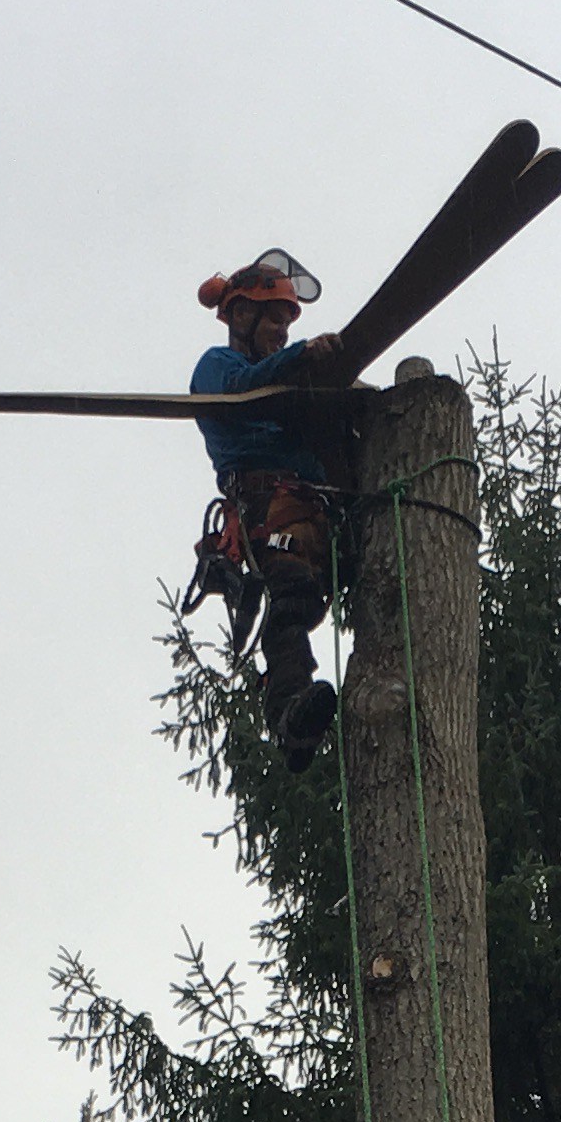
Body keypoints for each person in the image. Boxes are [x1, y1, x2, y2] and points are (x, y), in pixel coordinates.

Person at [187, 253, 343, 767]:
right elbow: (241, 393)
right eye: (273, 319)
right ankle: (288, 711)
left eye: (286, 322)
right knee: (292, 591)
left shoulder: (288, 390)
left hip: (314, 511)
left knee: (332, 581)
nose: (280, 330)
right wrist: (300, 361)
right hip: (265, 514)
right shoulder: (219, 367)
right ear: (239, 318)